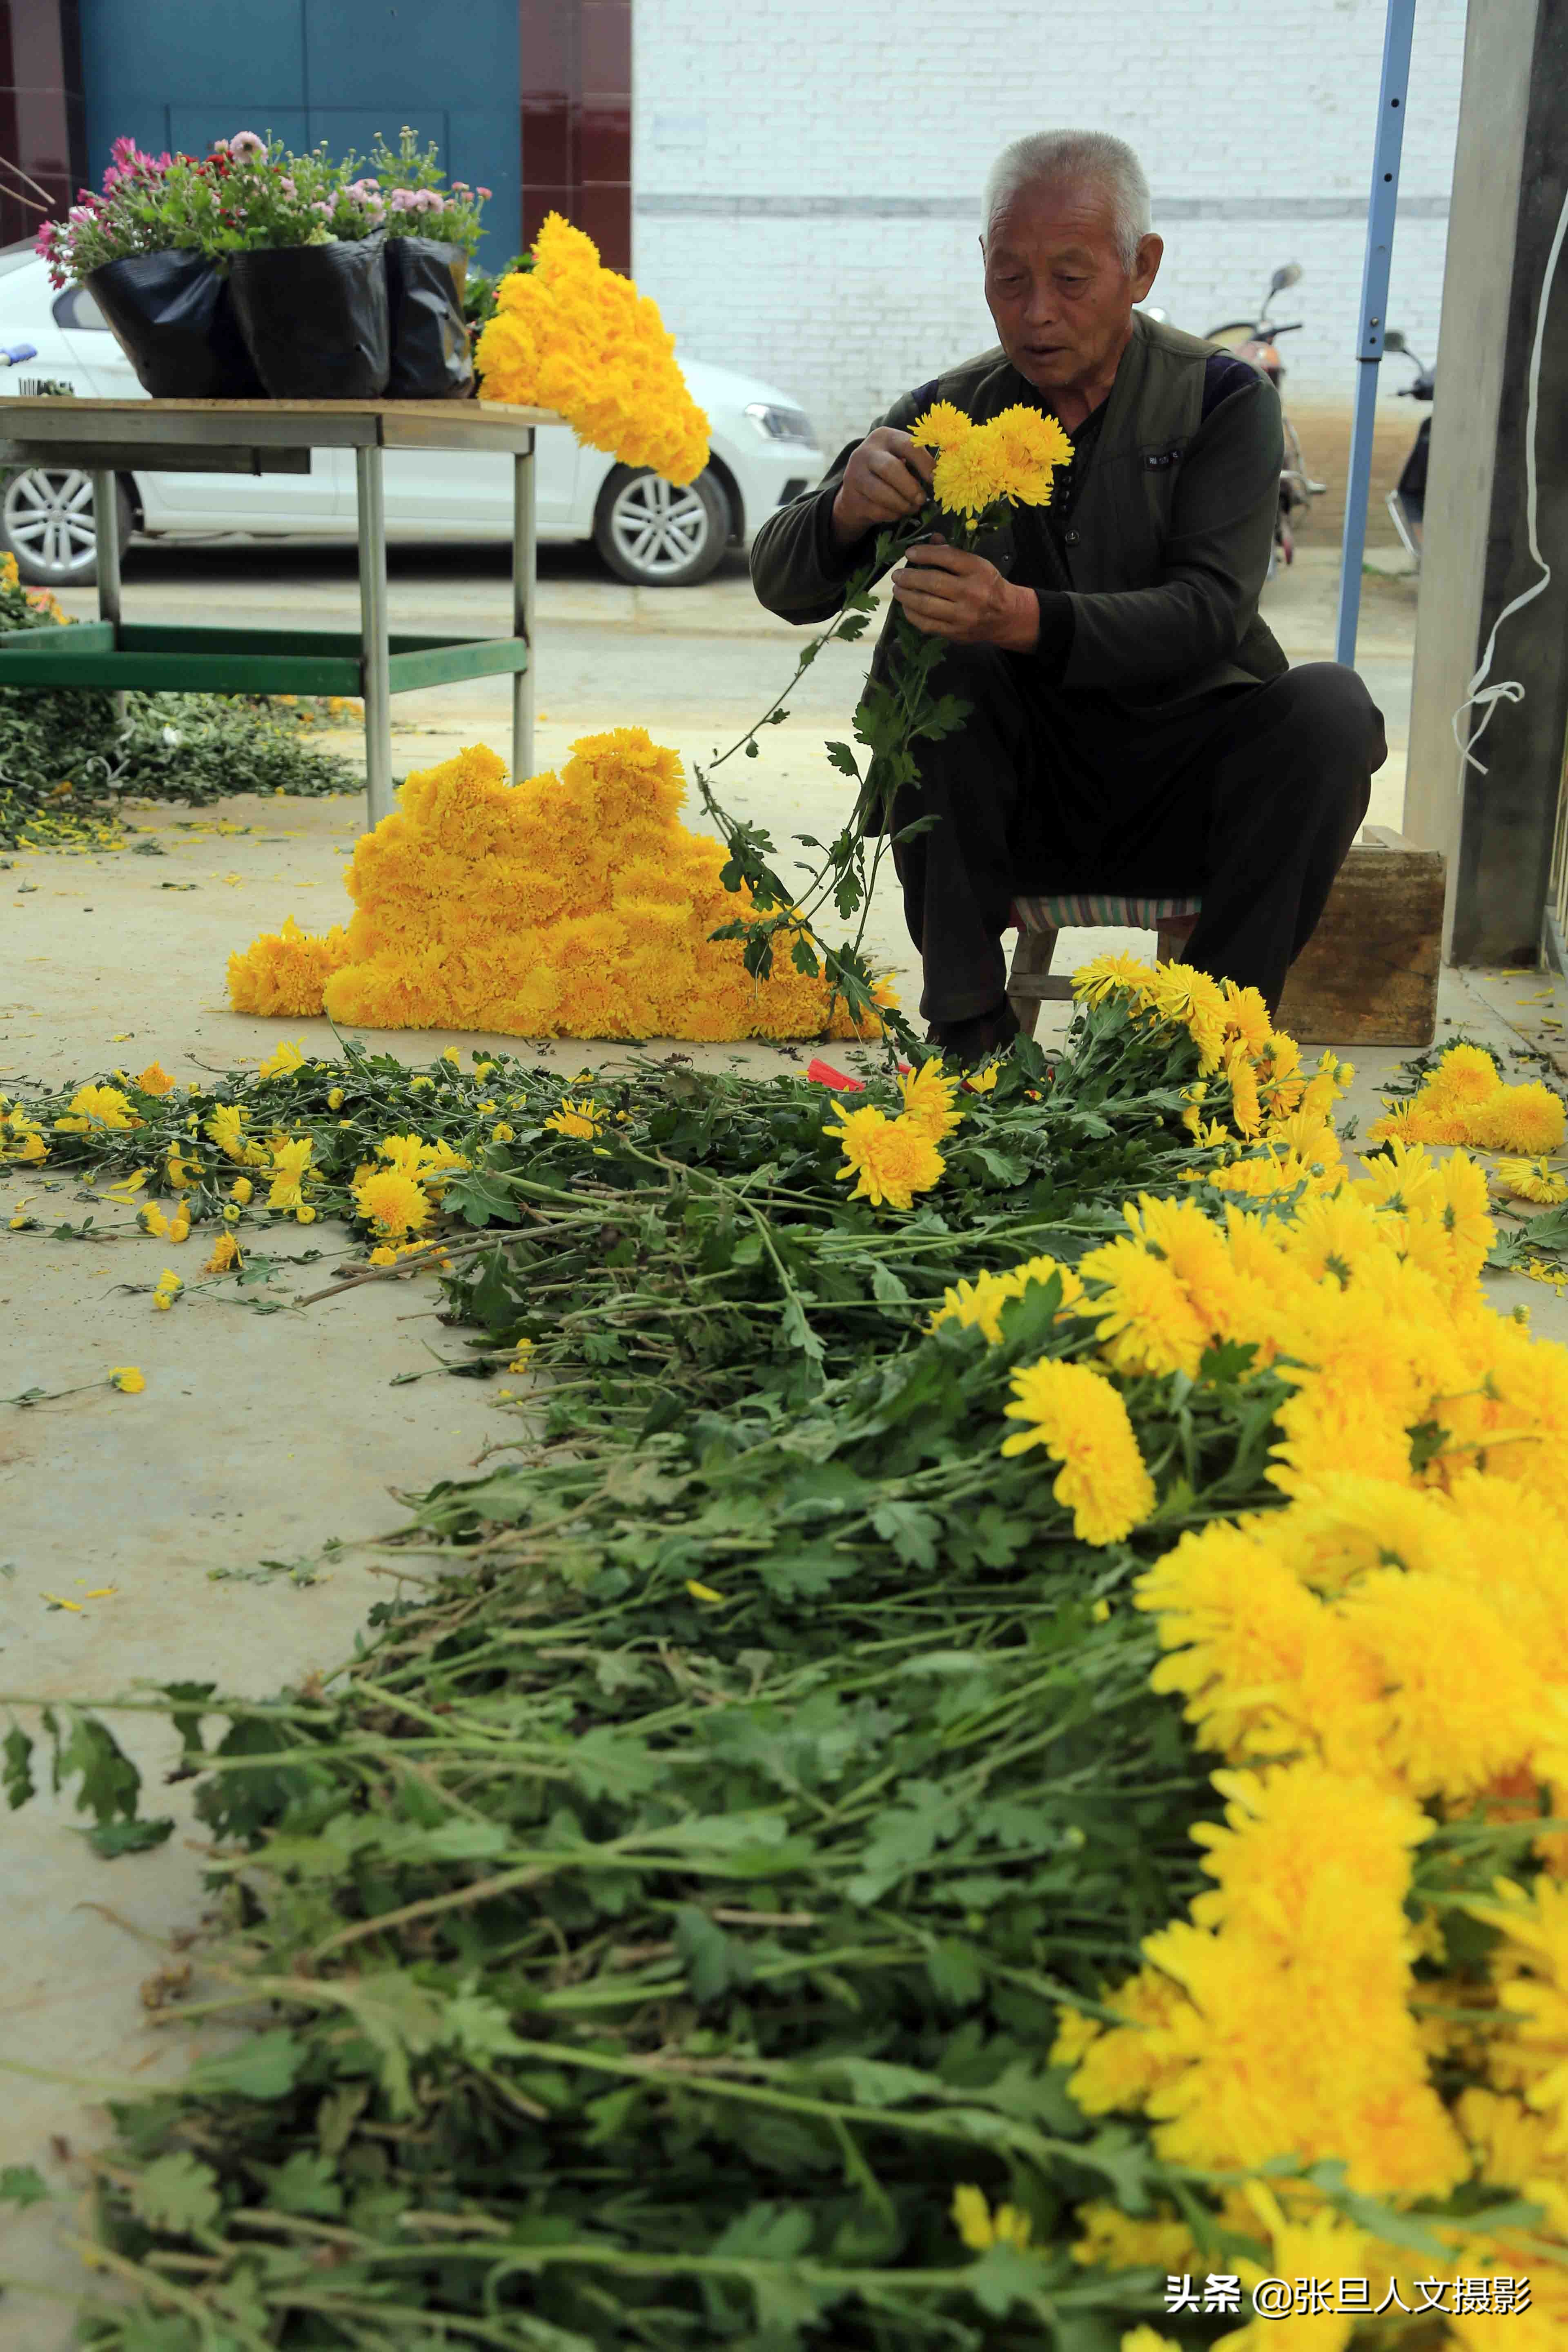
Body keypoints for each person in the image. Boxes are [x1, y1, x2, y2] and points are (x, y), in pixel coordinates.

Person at [750, 129, 1386, 1061]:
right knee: (942, 642)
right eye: (1011, 280)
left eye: (1072, 278)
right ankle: (970, 1038)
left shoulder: (1225, 402)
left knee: (1333, 711)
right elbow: (781, 584)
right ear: (983, 272)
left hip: (1188, 796)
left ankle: (1202, 1046)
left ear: (1142, 267)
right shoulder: (949, 414)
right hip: (1015, 811)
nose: (1037, 313)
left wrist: (1024, 616)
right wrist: (842, 514)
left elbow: (1210, 611)